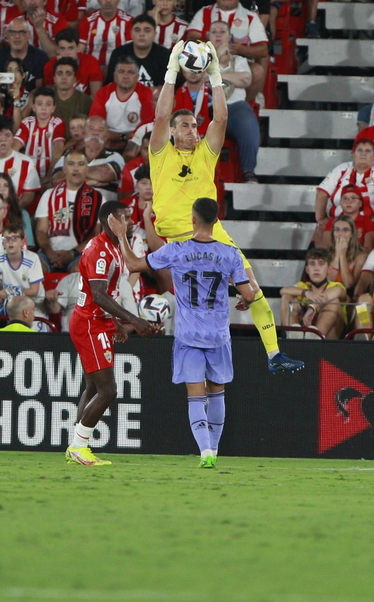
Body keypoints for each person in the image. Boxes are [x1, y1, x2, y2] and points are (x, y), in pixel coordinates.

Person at [148, 40, 302, 372]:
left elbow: (221, 118)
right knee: (197, 304)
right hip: (178, 235)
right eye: (185, 126)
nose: (193, 130)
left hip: (212, 232)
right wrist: (173, 69)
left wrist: (216, 73)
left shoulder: (205, 153)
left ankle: (274, 355)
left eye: (194, 125)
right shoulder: (161, 152)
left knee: (252, 288)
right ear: (172, 132)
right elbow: (161, 114)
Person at [120, 196, 255, 467]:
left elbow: (133, 264)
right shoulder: (229, 253)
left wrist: (122, 236)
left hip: (189, 335)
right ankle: (214, 450)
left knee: (196, 396)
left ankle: (205, 451)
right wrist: (244, 299)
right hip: (218, 334)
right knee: (217, 393)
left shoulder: (177, 250)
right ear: (217, 220)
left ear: (193, 219)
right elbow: (250, 293)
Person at [64, 200, 159, 466]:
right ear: (109, 220)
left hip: (98, 321)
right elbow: (98, 294)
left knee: (94, 387)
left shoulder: (113, 246)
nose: (129, 222)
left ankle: (76, 446)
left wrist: (116, 324)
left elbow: (105, 294)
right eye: (124, 218)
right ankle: (79, 445)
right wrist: (133, 321)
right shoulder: (100, 250)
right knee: (109, 390)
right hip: (90, 324)